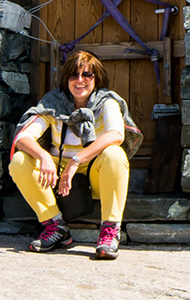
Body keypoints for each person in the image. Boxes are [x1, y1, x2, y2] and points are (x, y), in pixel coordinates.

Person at [7, 50, 139, 258]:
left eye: (87, 75)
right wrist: (43, 157)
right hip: (57, 174)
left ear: (97, 79)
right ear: (66, 79)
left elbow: (116, 134)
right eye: (73, 75)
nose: (80, 80)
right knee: (19, 160)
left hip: (94, 172)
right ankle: (55, 225)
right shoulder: (53, 103)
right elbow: (23, 137)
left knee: (115, 154)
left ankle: (110, 231)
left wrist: (77, 161)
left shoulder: (107, 101)